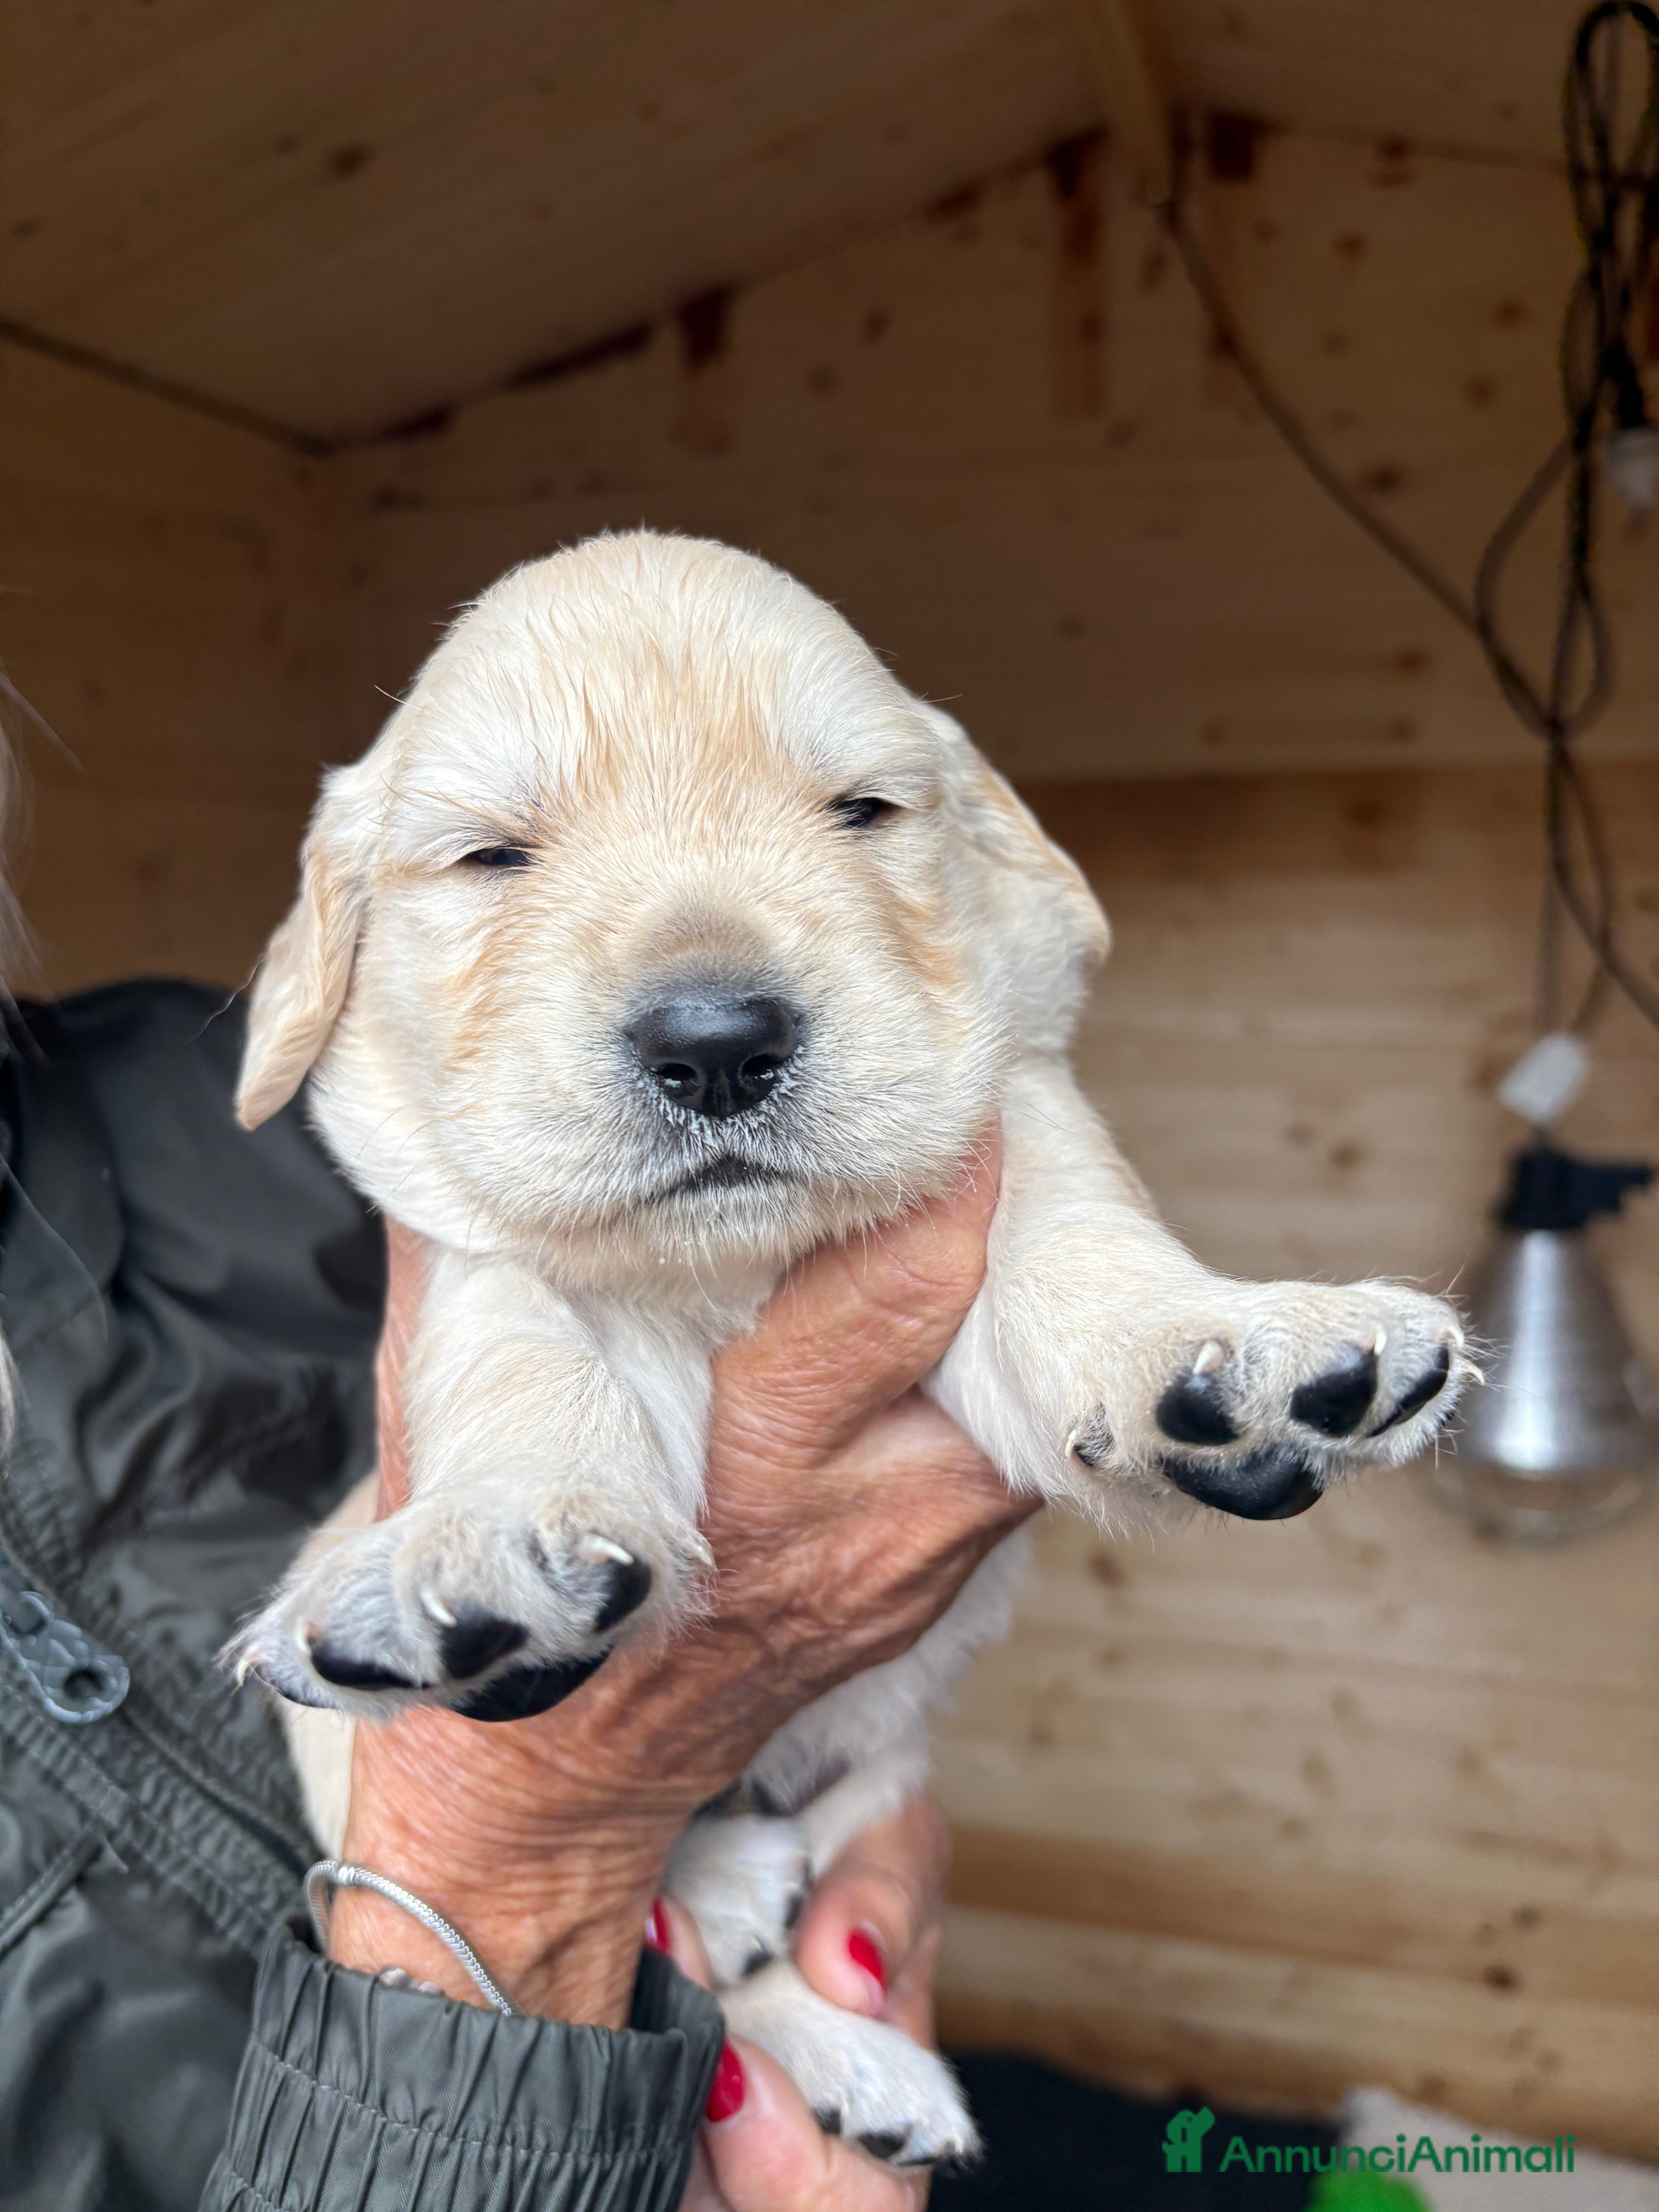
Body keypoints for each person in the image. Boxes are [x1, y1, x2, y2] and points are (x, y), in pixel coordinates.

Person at [0, 975, 1032, 2212]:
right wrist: (528, 1851)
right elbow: (539, 1784)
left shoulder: (212, 1087)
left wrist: (840, 1819)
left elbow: (746, 1522)